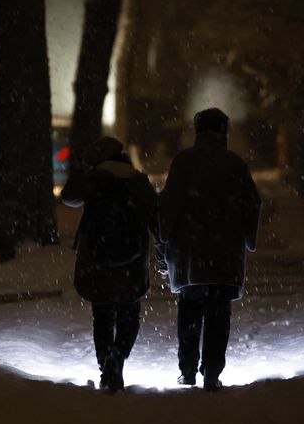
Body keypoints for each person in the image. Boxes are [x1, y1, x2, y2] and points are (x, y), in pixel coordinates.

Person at [156, 107, 262, 391]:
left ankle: (188, 369)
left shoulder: (184, 162)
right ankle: (212, 372)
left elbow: (170, 204)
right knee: (218, 314)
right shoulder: (235, 165)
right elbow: (253, 203)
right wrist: (246, 237)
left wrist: (163, 238)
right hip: (225, 255)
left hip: (189, 253)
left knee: (190, 310)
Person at [60, 136, 158, 392]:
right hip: (132, 260)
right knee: (129, 314)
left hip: (97, 257)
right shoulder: (137, 181)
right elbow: (155, 217)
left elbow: (68, 196)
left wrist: (87, 172)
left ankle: (106, 366)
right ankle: (117, 357)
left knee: (102, 316)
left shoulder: (94, 180)